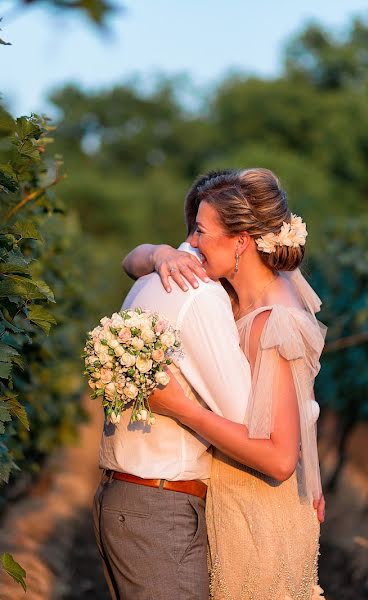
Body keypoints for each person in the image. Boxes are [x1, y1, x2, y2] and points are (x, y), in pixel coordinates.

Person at [126, 168, 327, 599]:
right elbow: (132, 260)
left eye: (200, 232)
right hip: (229, 502)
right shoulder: (231, 290)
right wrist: (161, 254)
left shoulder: (277, 320)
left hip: (258, 517)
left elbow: (278, 459)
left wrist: (182, 409)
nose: (191, 243)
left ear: (240, 242)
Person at [93, 170, 253, 600]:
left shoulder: (153, 275)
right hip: (157, 509)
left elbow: (132, 259)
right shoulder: (199, 294)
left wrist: (156, 251)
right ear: (241, 240)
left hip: (126, 498)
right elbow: (247, 419)